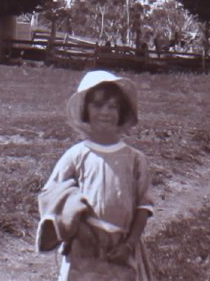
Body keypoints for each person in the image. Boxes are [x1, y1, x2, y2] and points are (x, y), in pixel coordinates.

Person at [36, 70, 155, 281]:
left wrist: (130, 243)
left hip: (122, 247)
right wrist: (78, 228)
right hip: (84, 248)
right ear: (85, 111)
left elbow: (143, 207)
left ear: (122, 113)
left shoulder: (135, 159)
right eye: (97, 105)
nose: (105, 112)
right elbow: (51, 195)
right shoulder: (77, 155)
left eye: (112, 106)